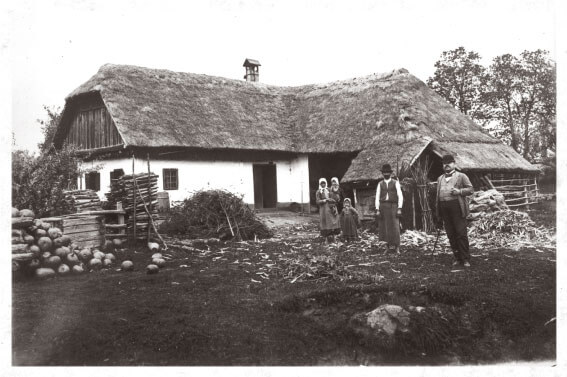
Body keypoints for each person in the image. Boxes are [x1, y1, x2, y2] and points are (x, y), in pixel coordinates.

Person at [435, 154, 474, 268]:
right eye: (444, 163)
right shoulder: (440, 178)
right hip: (444, 208)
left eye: (449, 163)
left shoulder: (461, 176)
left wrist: (459, 191)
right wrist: (438, 211)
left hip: (457, 207)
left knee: (460, 233)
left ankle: (465, 258)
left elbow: (471, 189)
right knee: (451, 234)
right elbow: (438, 195)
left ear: (454, 164)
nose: (446, 165)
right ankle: (457, 257)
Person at [375, 163, 403, 253]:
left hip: (393, 206)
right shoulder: (380, 184)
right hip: (383, 207)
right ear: (382, 173)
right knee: (385, 227)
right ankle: (387, 247)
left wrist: (399, 208)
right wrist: (377, 209)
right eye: (384, 172)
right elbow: (377, 197)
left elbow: (400, 196)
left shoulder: (395, 183)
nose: (386, 174)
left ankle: (397, 246)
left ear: (390, 173)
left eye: (388, 172)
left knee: (395, 226)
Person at [316, 178, 340, 243]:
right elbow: (317, 201)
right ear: (320, 184)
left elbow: (334, 196)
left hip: (330, 207)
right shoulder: (319, 191)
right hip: (323, 208)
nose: (323, 184)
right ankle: (326, 239)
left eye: (324, 183)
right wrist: (323, 200)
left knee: (332, 221)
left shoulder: (329, 189)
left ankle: (334, 238)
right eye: (321, 183)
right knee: (325, 222)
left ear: (326, 183)